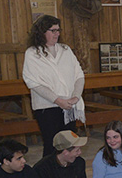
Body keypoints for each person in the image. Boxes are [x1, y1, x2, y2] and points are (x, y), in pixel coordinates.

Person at [22, 15, 85, 157]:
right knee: (52, 144)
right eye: (53, 30)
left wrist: (76, 96)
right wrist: (58, 100)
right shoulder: (32, 53)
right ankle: (49, 171)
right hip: (47, 106)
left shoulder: (65, 50)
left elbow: (79, 75)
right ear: (42, 32)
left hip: (69, 105)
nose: (57, 34)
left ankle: (69, 169)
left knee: (70, 144)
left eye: (58, 30)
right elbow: (33, 82)